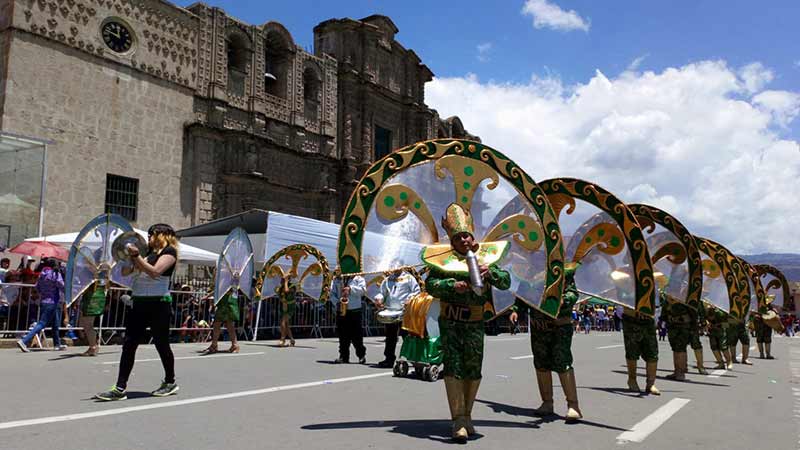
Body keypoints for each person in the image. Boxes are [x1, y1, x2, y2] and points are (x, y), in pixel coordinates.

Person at [424, 203, 511, 442]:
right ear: (452, 241)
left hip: (474, 323)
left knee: (473, 369)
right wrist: (452, 285)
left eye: (467, 235)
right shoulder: (442, 262)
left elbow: (506, 280)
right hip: (451, 322)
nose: (463, 239)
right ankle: (458, 419)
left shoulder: (484, 258)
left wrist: (490, 273)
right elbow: (430, 285)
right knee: (454, 367)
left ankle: (468, 415)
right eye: (459, 236)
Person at [95, 223, 180, 401]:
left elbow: (155, 272)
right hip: (139, 302)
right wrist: (129, 258)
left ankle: (170, 381)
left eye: (151, 235)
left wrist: (136, 256)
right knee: (129, 344)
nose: (148, 238)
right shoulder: (146, 254)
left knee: (161, 344)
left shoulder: (169, 252)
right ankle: (119, 387)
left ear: (161, 235)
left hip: (158, 303)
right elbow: (126, 272)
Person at [510, 262, 583, 422]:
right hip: (538, 327)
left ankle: (573, 405)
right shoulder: (529, 274)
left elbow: (573, 293)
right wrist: (515, 311)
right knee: (541, 364)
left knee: (562, 363)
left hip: (559, 326)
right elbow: (522, 297)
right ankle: (547, 403)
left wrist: (563, 300)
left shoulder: (563, 271)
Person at [17, 258, 66, 352]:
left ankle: (57, 344)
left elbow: (37, 288)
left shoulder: (42, 275)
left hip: (44, 301)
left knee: (55, 323)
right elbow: (62, 286)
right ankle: (24, 340)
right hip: (52, 301)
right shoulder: (55, 274)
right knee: (42, 323)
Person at [374, 269, 420, 368]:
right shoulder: (387, 280)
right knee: (390, 336)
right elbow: (382, 292)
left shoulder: (409, 278)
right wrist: (379, 299)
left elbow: (416, 291)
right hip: (390, 311)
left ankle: (412, 358)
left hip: (404, 311)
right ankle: (389, 359)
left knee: (406, 336)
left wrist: (409, 299)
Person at [331, 273, 367, 364]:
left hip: (354, 309)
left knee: (357, 335)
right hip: (341, 310)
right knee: (342, 335)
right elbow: (332, 293)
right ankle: (343, 356)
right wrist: (337, 302)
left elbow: (363, 290)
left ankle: (361, 355)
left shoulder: (358, 278)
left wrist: (350, 289)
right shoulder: (337, 279)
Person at [660, 291, 693, 381]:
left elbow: (692, 311)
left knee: (680, 349)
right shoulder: (668, 298)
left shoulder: (686, 297)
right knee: (675, 349)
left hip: (683, 327)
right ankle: (676, 371)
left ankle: (681, 373)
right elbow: (664, 311)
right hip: (672, 326)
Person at [200, 285, 241, 354]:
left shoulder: (233, 279)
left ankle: (232, 345)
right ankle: (216, 345)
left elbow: (225, 289)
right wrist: (208, 296)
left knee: (226, 325)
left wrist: (208, 296)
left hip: (228, 303)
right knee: (221, 324)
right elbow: (219, 289)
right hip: (223, 303)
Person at [706, 304, 733, 369]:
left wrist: (718, 325)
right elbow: (703, 319)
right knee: (714, 347)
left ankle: (729, 362)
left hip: (721, 331)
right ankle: (721, 363)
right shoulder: (705, 310)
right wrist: (706, 323)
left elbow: (727, 324)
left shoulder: (721, 313)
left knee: (723, 347)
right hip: (712, 332)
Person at [276, 276, 298, 347]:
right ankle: (292, 340)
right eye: (282, 279)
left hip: (291, 307)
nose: (281, 281)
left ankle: (282, 339)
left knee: (283, 321)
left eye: (283, 279)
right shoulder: (281, 288)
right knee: (286, 325)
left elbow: (287, 291)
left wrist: (286, 282)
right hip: (284, 307)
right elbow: (280, 296)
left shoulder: (292, 286)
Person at [689, 300, 708, 374]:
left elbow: (701, 312)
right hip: (679, 324)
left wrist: (703, 323)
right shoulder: (676, 294)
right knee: (679, 348)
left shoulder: (695, 297)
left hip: (692, 325)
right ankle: (681, 368)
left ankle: (701, 366)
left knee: (696, 345)